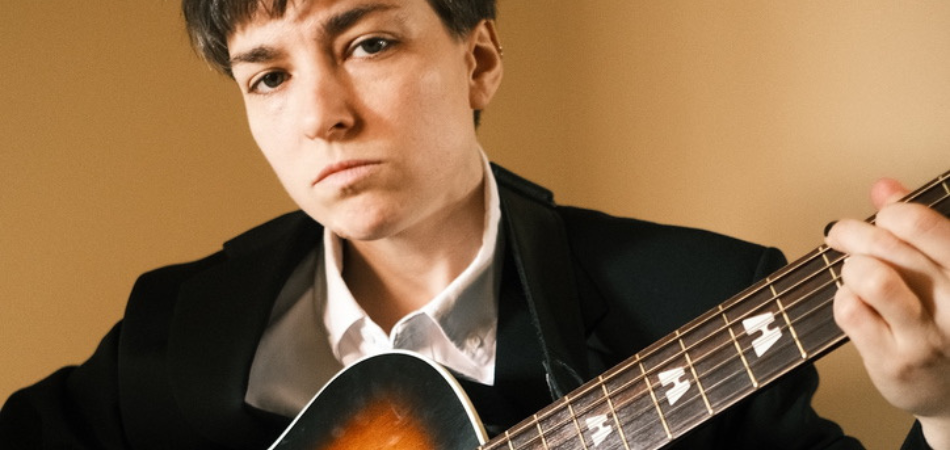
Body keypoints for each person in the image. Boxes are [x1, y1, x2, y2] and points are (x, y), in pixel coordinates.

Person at [1, 0, 948, 448]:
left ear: (479, 61)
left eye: (368, 44)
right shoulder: (182, 326)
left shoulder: (698, 294)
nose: (320, 115)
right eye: (270, 76)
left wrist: (943, 409)